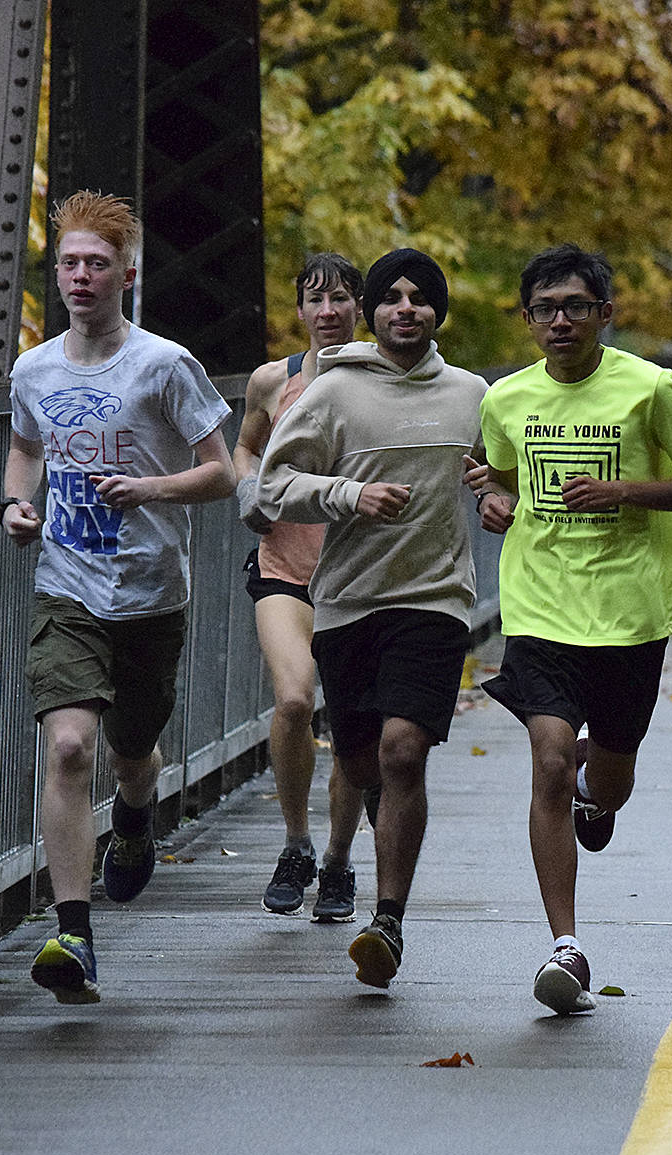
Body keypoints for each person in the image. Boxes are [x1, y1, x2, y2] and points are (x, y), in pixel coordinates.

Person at [465, 244, 672, 1015]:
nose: (561, 322)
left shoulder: (651, 388)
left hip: (629, 613)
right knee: (545, 759)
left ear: (604, 314)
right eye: (545, 309)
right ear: (527, 319)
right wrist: (491, 500)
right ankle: (566, 947)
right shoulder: (507, 398)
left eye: (576, 307)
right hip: (541, 606)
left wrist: (624, 491)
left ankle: (593, 792)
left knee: (611, 779)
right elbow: (495, 477)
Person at [0, 191, 237, 1003]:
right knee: (69, 746)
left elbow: (222, 473)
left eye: (96, 264)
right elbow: (24, 449)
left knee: (132, 752)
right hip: (66, 586)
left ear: (126, 275)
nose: (80, 276)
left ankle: (135, 815)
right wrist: (15, 504)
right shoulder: (34, 369)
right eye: (68, 262)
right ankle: (73, 932)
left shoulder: (165, 365)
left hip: (149, 591)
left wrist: (150, 488)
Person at [255, 247, 488, 989]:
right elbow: (272, 486)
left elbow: (500, 473)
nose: (405, 309)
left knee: (403, 752)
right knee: (361, 764)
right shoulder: (333, 391)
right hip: (348, 602)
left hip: (435, 598)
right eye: (392, 297)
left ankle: (387, 921)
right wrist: (350, 495)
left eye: (420, 297)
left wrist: (496, 493)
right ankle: (383, 822)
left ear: (437, 311)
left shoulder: (472, 394)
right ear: (373, 311)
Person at [234, 254, 366, 920]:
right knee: (293, 701)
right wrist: (248, 490)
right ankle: (296, 844)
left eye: (340, 298)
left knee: (352, 723)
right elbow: (245, 448)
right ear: (300, 311)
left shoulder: (382, 378)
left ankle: (339, 862)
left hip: (361, 575)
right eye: (316, 299)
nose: (328, 311)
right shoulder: (272, 381)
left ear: (360, 308)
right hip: (284, 566)